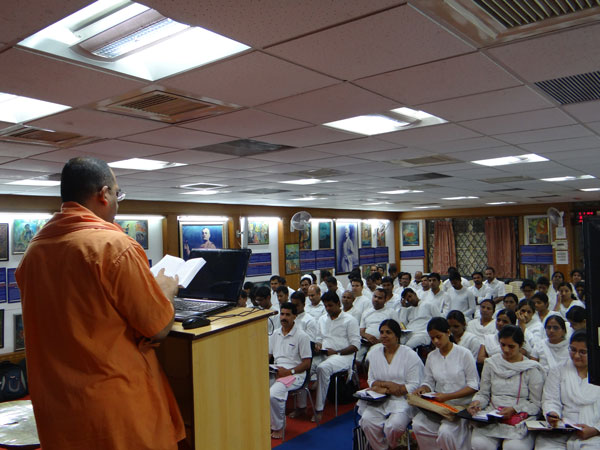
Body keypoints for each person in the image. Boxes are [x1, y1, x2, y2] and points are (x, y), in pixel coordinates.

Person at [15, 157, 184, 450]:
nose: (118, 202)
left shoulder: (35, 251)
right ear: (103, 194)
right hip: (113, 408)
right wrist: (166, 290)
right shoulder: (113, 246)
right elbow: (157, 327)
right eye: (118, 194)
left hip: (58, 408)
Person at [468, 325, 544, 450]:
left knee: (514, 447)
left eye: (511, 346)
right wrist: (477, 403)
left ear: (521, 345)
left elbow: (536, 404)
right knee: (480, 444)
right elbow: (484, 394)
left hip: (519, 418)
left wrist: (514, 409)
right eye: (503, 345)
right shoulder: (491, 363)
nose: (506, 349)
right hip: (492, 417)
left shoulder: (531, 368)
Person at [412, 317, 479, 450]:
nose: (436, 341)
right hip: (439, 405)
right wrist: (423, 388)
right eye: (432, 338)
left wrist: (448, 396)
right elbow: (429, 381)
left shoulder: (464, 354)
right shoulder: (432, 356)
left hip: (460, 407)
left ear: (448, 333)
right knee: (418, 424)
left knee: (446, 432)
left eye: (438, 336)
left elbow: (473, 385)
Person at [359, 319, 424, 450]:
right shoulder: (374, 354)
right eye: (381, 332)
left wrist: (397, 389)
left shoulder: (410, 355)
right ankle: (382, 448)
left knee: (393, 426)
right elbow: (371, 380)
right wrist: (388, 387)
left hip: (403, 400)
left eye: (388, 332)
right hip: (380, 399)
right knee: (367, 421)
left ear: (397, 335)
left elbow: (414, 384)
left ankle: (393, 446)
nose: (383, 335)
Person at [536, 330, 600, 449]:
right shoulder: (558, 370)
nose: (576, 356)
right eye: (573, 350)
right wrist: (552, 413)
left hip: (594, 433)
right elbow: (550, 398)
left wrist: (595, 430)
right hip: (562, 430)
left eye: (583, 352)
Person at [312, 291, 360, 422]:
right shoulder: (322, 319)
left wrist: (337, 352)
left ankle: (319, 409)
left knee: (323, 368)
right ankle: (301, 405)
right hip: (324, 353)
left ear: (338, 304)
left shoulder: (350, 320)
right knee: (306, 364)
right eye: (325, 306)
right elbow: (319, 337)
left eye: (330, 305)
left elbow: (355, 346)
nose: (327, 309)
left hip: (343, 356)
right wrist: (317, 345)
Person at [268, 302, 312, 439]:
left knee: (273, 394)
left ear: (295, 316)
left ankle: (279, 427)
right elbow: (268, 356)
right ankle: (267, 422)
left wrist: (289, 372)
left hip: (295, 374)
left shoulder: (302, 336)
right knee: (256, 388)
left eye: (288, 314)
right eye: (282, 314)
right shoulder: (275, 334)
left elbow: (307, 363)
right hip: (276, 370)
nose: (284, 317)